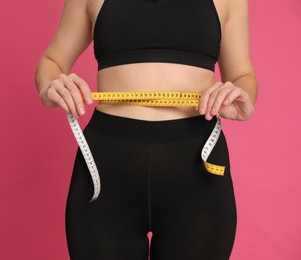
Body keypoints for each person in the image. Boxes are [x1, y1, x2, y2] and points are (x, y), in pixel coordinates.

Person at [34, 0, 258, 258]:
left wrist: (243, 94)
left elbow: (242, 74)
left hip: (199, 169)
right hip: (105, 170)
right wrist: (51, 87)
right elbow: (52, 61)